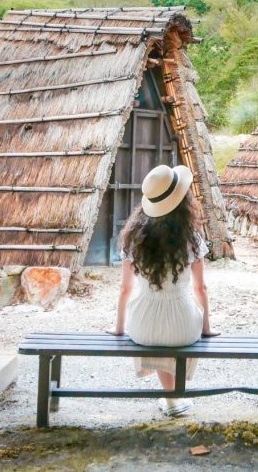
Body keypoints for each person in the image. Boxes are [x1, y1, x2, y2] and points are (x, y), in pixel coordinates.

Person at [107, 164, 218, 417]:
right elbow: (200, 288)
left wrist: (119, 328)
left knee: (157, 327)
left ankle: (170, 399)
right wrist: (206, 328)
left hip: (143, 326)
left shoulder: (134, 237)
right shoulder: (191, 238)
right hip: (184, 324)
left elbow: (125, 289)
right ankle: (174, 397)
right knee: (174, 328)